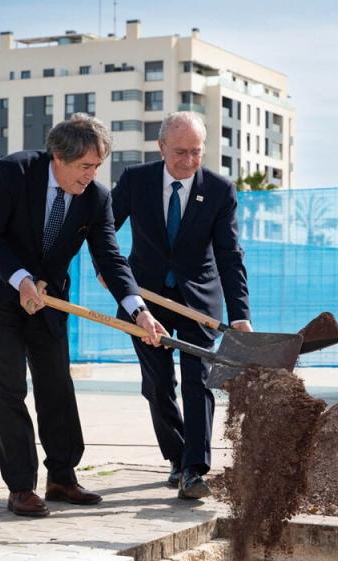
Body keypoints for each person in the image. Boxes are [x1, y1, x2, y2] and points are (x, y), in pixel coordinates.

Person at [0, 114, 163, 518]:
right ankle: (20, 486)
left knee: (57, 385)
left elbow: (111, 258)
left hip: (48, 299)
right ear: (58, 158)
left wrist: (139, 310)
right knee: (10, 388)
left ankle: (62, 477)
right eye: (85, 166)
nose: (91, 175)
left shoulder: (96, 198)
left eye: (97, 167)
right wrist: (21, 280)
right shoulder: (14, 172)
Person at [107, 111, 252, 499]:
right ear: (161, 147)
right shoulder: (136, 181)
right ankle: (176, 456)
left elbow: (229, 254)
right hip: (145, 300)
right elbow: (104, 230)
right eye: (179, 153)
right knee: (157, 384)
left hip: (199, 300)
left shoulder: (220, 190)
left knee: (198, 380)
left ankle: (194, 469)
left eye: (196, 153)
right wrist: (112, 273)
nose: (187, 162)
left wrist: (240, 315)